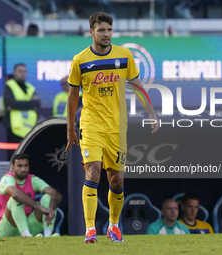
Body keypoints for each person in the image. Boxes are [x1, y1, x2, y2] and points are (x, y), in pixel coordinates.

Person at [65, 12, 159, 243]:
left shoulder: (124, 55)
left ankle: (113, 226)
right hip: (91, 125)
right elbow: (72, 97)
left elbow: (136, 86)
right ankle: (89, 230)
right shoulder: (80, 60)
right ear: (91, 32)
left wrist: (151, 111)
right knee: (93, 172)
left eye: (109, 30)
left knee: (116, 180)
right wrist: (70, 129)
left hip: (117, 128)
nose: (106, 34)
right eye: (101, 30)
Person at [0, 154, 62, 237]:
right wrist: (40, 207)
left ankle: (47, 236)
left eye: (26, 166)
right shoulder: (7, 179)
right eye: (19, 166)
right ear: (12, 168)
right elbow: (15, 194)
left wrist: (50, 210)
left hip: (27, 224)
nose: (23, 169)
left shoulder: (32, 179)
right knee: (15, 199)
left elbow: (56, 194)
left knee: (48, 197)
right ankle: (27, 236)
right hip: (7, 227)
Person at [3, 63, 40, 145]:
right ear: (14, 72)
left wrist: (19, 103)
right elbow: (13, 104)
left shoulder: (30, 87)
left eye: (24, 71)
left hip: (30, 129)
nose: (23, 74)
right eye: (20, 71)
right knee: (14, 156)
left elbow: (37, 103)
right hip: (14, 128)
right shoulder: (9, 85)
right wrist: (30, 104)